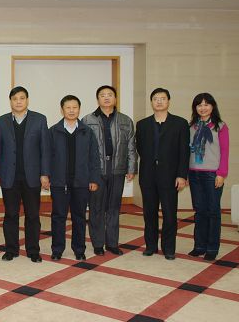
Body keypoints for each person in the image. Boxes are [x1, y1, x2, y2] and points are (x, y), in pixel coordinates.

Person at [0, 86, 50, 263]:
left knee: (32, 215)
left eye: (22, 98)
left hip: (32, 176)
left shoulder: (39, 119)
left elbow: (45, 149)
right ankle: (11, 249)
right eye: (15, 98)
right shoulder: (1, 121)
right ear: (10, 101)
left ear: (27, 100)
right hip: (9, 176)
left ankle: (33, 250)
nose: (18, 101)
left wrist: (44, 173)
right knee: (10, 214)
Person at [82, 85, 137, 256]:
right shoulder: (87, 120)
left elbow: (131, 146)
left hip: (117, 169)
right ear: (97, 99)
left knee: (114, 208)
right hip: (96, 171)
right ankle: (98, 244)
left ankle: (112, 243)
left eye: (110, 95)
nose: (106, 98)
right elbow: (83, 149)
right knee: (96, 208)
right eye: (102, 95)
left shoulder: (125, 120)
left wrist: (131, 167)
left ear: (115, 98)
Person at [136, 88, 189, 260]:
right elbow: (140, 148)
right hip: (148, 175)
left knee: (169, 213)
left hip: (170, 176)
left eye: (163, 98)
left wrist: (181, 175)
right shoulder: (142, 124)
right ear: (151, 102)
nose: (159, 101)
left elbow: (184, 152)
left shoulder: (180, 123)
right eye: (155, 99)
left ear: (168, 101)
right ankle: (151, 246)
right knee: (149, 213)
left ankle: (169, 248)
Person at [49, 95, 100, 261]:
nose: (71, 110)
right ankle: (57, 249)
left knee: (79, 217)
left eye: (75, 107)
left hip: (81, 182)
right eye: (68, 107)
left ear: (79, 109)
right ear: (62, 110)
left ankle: (79, 249)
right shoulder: (53, 131)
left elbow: (94, 157)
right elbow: (47, 156)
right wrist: (46, 176)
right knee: (58, 217)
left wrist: (94, 179)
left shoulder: (87, 132)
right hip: (59, 182)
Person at [187, 93, 229, 261]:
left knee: (213, 211)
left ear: (212, 106)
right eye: (199, 105)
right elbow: (186, 151)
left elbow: (225, 151)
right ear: (195, 108)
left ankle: (212, 248)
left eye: (206, 104)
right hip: (194, 173)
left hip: (212, 174)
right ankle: (199, 246)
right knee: (199, 211)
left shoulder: (220, 126)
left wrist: (221, 173)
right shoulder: (191, 126)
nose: (203, 108)